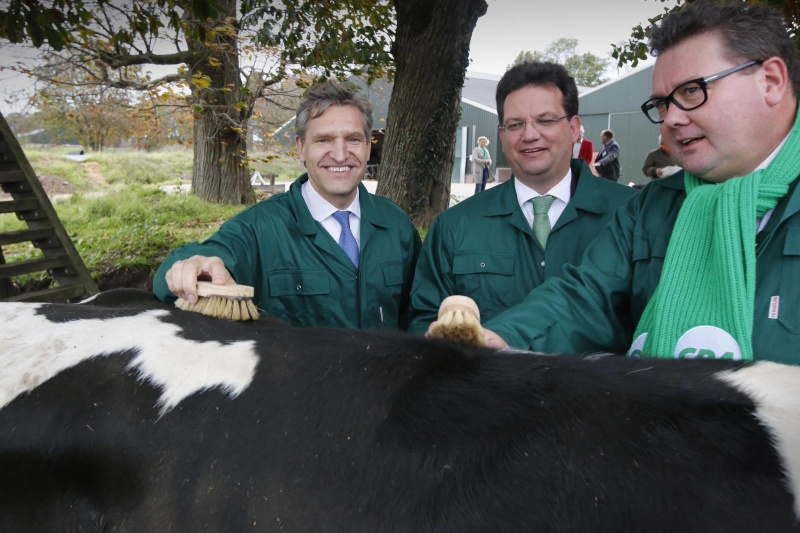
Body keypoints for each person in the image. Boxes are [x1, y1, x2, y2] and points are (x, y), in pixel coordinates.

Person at [465, 1, 800, 365]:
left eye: (691, 91)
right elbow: (587, 295)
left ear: (771, 81)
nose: (671, 119)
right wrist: (501, 338)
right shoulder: (649, 208)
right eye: (661, 104)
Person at [153, 80, 421, 330]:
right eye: (323, 140)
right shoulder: (258, 228)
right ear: (301, 148)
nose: (340, 154)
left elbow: (418, 315)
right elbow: (201, 260)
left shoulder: (397, 226)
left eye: (353, 139)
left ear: (367, 147)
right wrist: (188, 265)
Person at [408, 62, 636, 333]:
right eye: (516, 124)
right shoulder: (455, 226)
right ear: (502, 135)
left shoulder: (631, 214)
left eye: (546, 120)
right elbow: (424, 323)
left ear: (574, 128)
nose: (529, 135)